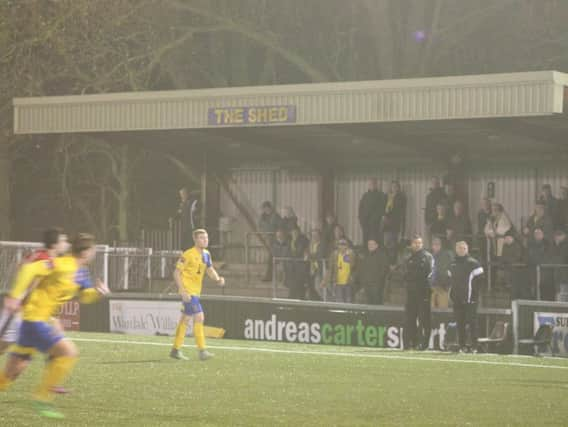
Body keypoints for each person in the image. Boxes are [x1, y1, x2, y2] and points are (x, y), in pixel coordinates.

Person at [0, 234, 109, 419]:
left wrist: (97, 293)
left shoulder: (81, 272)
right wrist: (15, 295)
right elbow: (29, 269)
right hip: (34, 319)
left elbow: (84, 296)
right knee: (68, 352)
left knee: (12, 372)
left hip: (37, 321)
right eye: (93, 250)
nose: (94, 254)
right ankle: (42, 398)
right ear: (85, 252)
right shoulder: (61, 264)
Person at [170, 229, 225, 361]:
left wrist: (217, 279)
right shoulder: (188, 254)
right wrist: (183, 291)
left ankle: (175, 349)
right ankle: (202, 350)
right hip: (189, 292)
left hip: (195, 291)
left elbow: (210, 269)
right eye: (201, 238)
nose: (205, 240)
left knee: (185, 319)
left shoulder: (206, 254)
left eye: (206, 238)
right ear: (195, 240)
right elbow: (176, 273)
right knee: (199, 317)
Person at [449, 241, 484, 353]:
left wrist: (474, 295)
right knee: (460, 323)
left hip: (470, 299)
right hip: (457, 299)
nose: (461, 250)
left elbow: (481, 280)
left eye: (464, 248)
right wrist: (452, 295)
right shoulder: (452, 264)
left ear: (467, 249)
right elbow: (450, 280)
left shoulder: (473, 263)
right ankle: (462, 346)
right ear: (456, 249)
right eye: (459, 248)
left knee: (472, 322)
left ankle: (474, 346)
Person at [403, 235, 434, 350]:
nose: (417, 245)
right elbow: (405, 274)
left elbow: (430, 274)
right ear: (411, 244)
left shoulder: (427, 257)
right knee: (409, 318)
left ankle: (423, 344)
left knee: (424, 319)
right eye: (415, 243)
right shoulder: (408, 257)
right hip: (411, 292)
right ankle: (410, 343)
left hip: (423, 292)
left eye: (419, 243)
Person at [322, 239, 356, 303]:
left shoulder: (351, 254)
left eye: (344, 245)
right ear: (338, 246)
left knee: (349, 301)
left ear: (347, 246)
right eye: (340, 244)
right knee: (340, 302)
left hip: (348, 283)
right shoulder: (334, 255)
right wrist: (325, 280)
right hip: (338, 283)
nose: (342, 246)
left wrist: (352, 278)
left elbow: (355, 268)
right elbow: (330, 268)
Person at [356, 239, 389, 305]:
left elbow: (384, 270)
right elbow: (362, 270)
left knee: (376, 304)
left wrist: (377, 281)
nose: (370, 246)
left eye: (372, 244)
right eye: (369, 244)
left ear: (376, 245)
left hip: (376, 285)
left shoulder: (382, 255)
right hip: (367, 285)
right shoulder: (366, 256)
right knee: (369, 304)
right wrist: (363, 282)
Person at [383, 181, 406, 263]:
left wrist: (403, 231)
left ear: (399, 188)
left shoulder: (401, 198)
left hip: (395, 225)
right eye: (393, 186)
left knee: (393, 246)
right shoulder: (387, 196)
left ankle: (393, 263)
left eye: (396, 186)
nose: (394, 188)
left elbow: (401, 213)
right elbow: (384, 209)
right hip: (386, 226)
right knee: (386, 245)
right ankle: (387, 263)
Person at [259, 201, 283, 282]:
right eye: (264, 209)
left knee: (272, 258)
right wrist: (264, 234)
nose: (265, 210)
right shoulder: (263, 217)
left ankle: (270, 277)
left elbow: (280, 227)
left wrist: (278, 236)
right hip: (269, 240)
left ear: (269, 208)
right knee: (271, 258)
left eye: (266, 208)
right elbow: (260, 226)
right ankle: (270, 276)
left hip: (275, 241)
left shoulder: (275, 216)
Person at [358, 178, 386, 246]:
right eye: (370, 184)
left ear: (376, 185)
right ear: (368, 185)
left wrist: (377, 220)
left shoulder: (381, 195)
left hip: (375, 225)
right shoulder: (365, 195)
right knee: (365, 242)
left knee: (375, 242)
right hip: (365, 224)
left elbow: (382, 210)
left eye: (374, 184)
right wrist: (361, 220)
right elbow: (360, 208)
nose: (372, 185)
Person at [430, 237, 453, 309]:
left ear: (440, 246)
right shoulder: (429, 256)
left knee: (443, 310)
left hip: (443, 287)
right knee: (430, 309)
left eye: (438, 244)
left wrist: (447, 285)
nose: (436, 246)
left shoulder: (446, 256)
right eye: (434, 244)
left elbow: (449, 271)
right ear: (432, 246)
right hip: (431, 287)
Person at [287, 226, 309, 300]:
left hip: (301, 266)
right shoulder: (289, 240)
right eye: (293, 232)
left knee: (300, 284)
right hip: (292, 267)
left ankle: (301, 298)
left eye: (296, 232)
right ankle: (292, 298)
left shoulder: (303, 240)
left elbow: (299, 252)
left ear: (299, 232)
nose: (294, 234)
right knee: (292, 285)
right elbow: (287, 252)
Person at [307, 229, 325, 301]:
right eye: (313, 235)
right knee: (316, 287)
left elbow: (319, 255)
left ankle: (329, 300)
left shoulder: (322, 244)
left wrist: (310, 256)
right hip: (313, 268)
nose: (314, 237)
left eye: (316, 235)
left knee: (320, 287)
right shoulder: (311, 245)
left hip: (321, 269)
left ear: (319, 236)